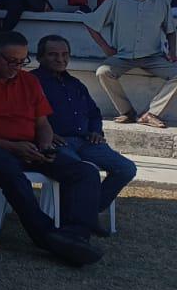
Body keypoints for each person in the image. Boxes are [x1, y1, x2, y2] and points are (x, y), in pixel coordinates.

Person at [0, 31, 102, 264]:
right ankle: (45, 235)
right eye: (12, 61)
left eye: (22, 61)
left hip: (29, 146)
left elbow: (43, 122)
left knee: (86, 172)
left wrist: (45, 145)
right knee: (13, 176)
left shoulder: (29, 81)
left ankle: (75, 235)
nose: (17, 67)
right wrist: (12, 147)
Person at [35, 34, 135, 226]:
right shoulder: (32, 82)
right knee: (81, 171)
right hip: (56, 142)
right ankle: (77, 218)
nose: (60, 59)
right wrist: (46, 134)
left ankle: (87, 212)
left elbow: (94, 113)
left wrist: (96, 131)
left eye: (65, 54)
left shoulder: (75, 84)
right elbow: (24, 115)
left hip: (85, 141)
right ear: (40, 57)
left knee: (126, 169)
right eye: (53, 55)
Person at [86, 0, 177, 129]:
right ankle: (127, 111)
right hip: (122, 56)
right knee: (103, 72)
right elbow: (91, 24)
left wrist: (172, 51)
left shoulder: (161, 2)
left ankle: (152, 114)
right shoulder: (116, 0)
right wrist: (106, 48)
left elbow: (170, 31)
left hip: (153, 56)